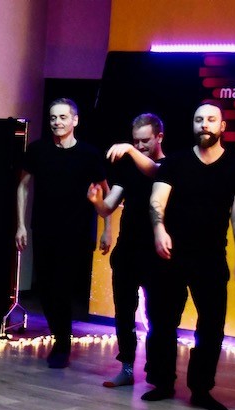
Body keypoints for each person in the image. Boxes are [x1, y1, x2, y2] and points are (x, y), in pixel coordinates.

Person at [143, 102, 235, 410]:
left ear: (222, 127)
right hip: (171, 255)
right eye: (198, 119)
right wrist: (159, 229)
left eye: (211, 119)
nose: (204, 124)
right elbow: (156, 200)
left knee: (212, 327)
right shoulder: (175, 162)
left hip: (211, 257)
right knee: (162, 322)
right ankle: (162, 382)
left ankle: (201, 389)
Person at [15, 98, 109, 368]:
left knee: (62, 288)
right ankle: (59, 336)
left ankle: (62, 345)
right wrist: (21, 224)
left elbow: (106, 190)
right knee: (46, 290)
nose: (57, 122)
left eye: (62, 117)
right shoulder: (38, 150)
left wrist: (107, 228)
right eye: (53, 117)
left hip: (75, 232)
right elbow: (23, 186)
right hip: (44, 228)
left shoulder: (89, 154)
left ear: (75, 120)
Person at [94, 113, 165, 386]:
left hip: (156, 254)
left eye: (145, 141)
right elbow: (108, 207)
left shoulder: (168, 166)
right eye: (136, 141)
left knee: (157, 314)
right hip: (127, 251)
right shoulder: (128, 167)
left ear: (159, 137)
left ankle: (157, 370)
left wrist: (129, 150)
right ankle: (126, 367)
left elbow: (154, 170)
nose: (140, 146)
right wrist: (97, 201)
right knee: (124, 311)